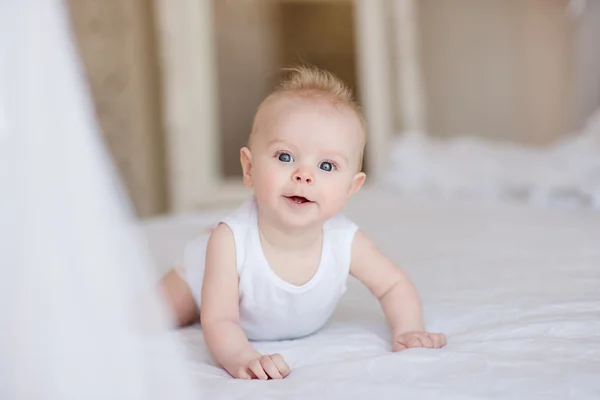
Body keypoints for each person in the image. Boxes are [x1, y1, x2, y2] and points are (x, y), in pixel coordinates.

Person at [157, 65, 446, 380]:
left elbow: (393, 285)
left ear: (351, 188)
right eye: (285, 157)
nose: (304, 174)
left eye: (326, 165)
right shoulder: (228, 240)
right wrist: (241, 356)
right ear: (249, 168)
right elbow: (220, 319)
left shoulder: (346, 241)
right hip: (198, 280)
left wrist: (409, 329)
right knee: (149, 317)